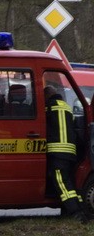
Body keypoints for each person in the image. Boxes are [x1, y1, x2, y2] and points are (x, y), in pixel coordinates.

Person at [45, 84, 88, 222]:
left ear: (47, 96)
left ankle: (75, 213)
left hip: (57, 151)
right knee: (70, 183)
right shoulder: (67, 108)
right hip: (70, 152)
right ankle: (81, 209)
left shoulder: (48, 108)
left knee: (62, 183)